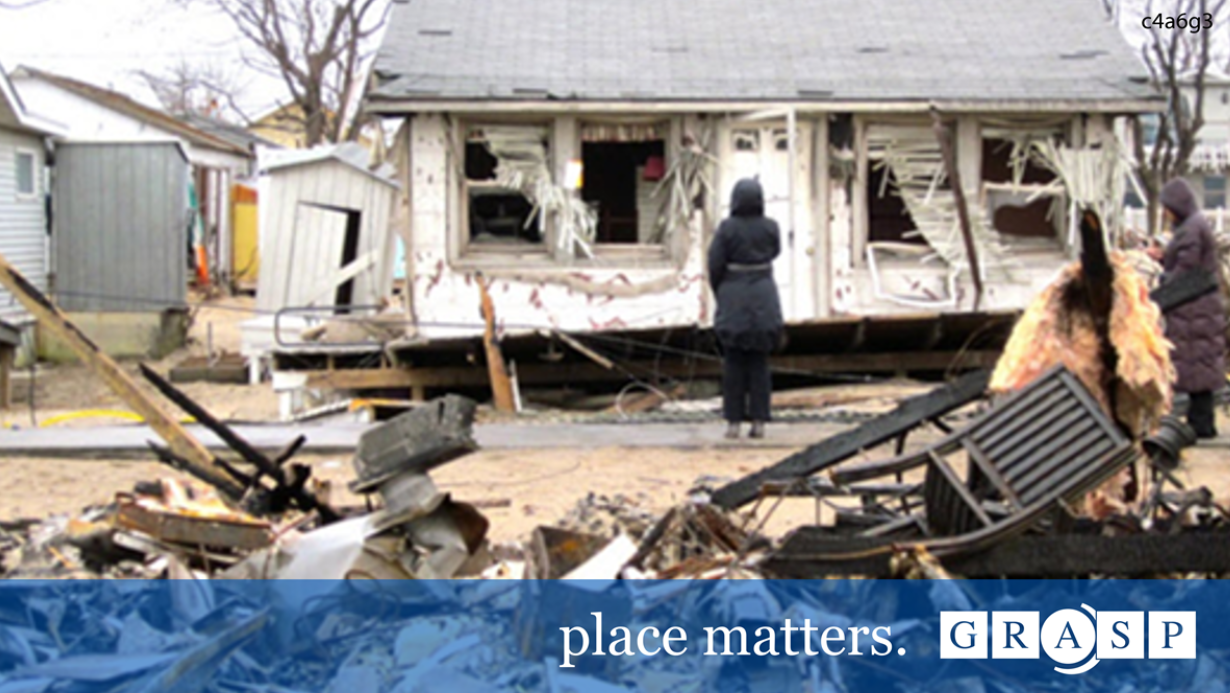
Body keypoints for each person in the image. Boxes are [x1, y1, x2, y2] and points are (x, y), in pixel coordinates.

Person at [708, 178, 784, 439]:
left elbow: (714, 264)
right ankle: (760, 421)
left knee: (733, 362)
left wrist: (722, 291)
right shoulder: (771, 227)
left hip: (733, 294)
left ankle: (733, 421)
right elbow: (775, 252)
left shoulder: (727, 229)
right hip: (763, 294)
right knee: (760, 363)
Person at [1156, 177, 1226, 438]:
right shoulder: (1192, 225)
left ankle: (1202, 425)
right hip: (1199, 306)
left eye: (1167, 207)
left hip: (1195, 308)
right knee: (1199, 365)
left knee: (1197, 364)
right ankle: (1201, 422)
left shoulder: (1191, 229)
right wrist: (1163, 256)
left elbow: (1187, 267)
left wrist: (1163, 285)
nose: (1165, 212)